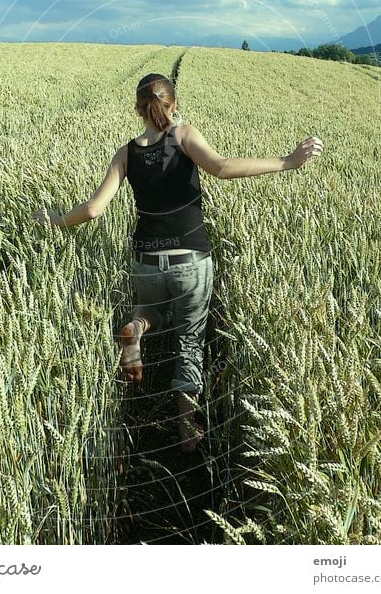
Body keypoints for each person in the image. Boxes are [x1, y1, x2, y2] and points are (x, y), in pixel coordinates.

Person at [32, 72, 323, 453]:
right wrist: (286, 161)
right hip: (191, 259)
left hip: (145, 260)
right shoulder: (184, 136)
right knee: (189, 341)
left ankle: (136, 328)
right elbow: (221, 167)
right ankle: (187, 433)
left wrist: (53, 220)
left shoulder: (127, 153)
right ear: (174, 105)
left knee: (152, 310)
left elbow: (93, 209)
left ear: (138, 109)